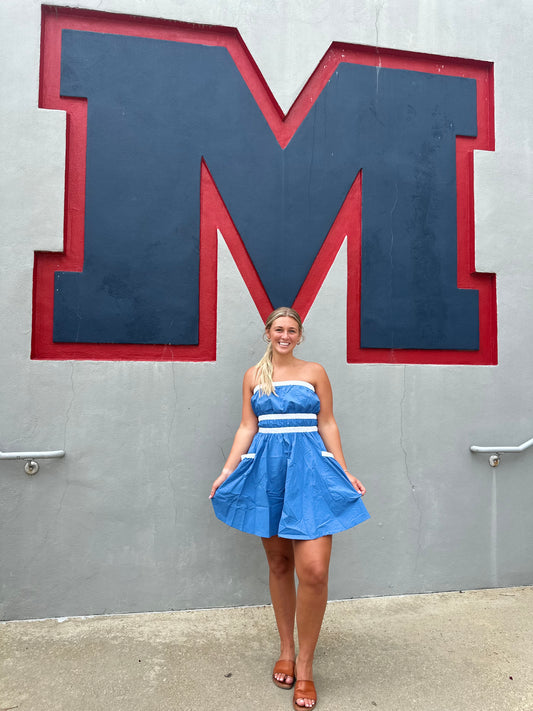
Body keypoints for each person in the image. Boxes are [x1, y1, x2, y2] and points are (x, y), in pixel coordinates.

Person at [210, 307, 369, 710]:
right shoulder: (252, 376)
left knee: (313, 571)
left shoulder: (315, 371)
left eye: (292, 330)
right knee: (279, 564)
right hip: (268, 472)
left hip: (312, 471)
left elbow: (328, 422)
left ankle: (306, 664)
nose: (285, 335)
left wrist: (344, 469)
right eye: (278, 329)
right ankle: (285, 648)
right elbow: (247, 426)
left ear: (300, 335)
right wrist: (227, 471)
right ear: (268, 333)